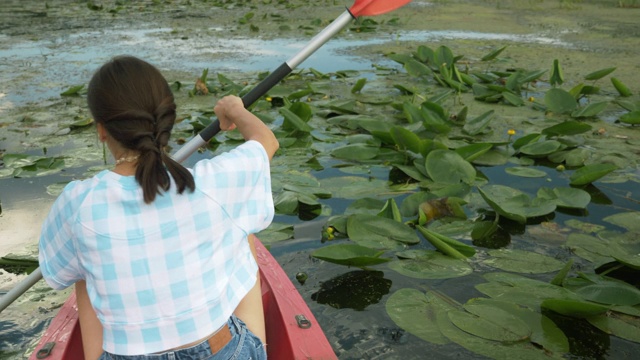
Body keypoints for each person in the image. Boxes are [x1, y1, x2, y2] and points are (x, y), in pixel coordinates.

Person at [38, 55, 279, 359]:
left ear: (102, 130)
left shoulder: (77, 205)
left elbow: (58, 272)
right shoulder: (212, 184)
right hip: (223, 352)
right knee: (240, 226)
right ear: (167, 119)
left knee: (82, 270)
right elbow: (266, 141)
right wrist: (233, 108)